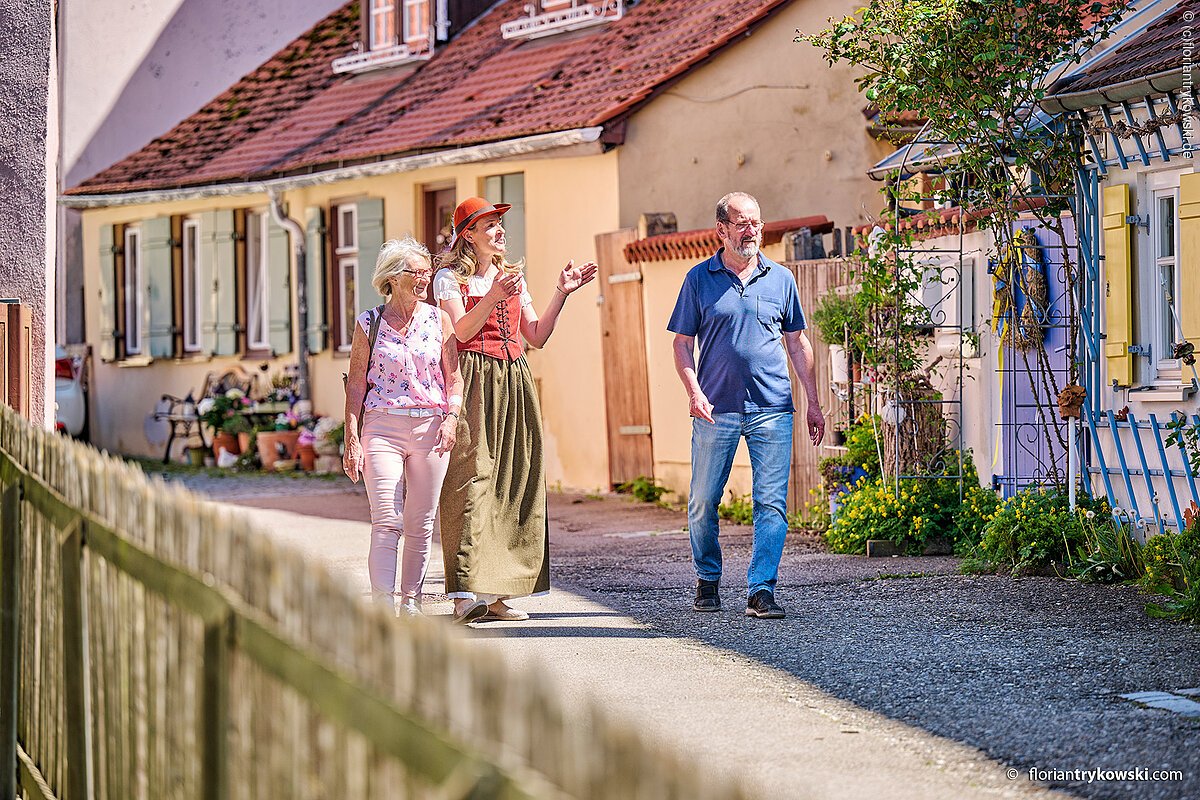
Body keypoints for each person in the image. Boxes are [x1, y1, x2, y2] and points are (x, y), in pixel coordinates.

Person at [433, 197, 597, 623]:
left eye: (500, 224)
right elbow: (462, 331)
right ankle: (464, 593)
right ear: (468, 235)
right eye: (490, 225)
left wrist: (562, 292)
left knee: (513, 479)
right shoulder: (449, 279)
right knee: (471, 480)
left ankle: (500, 592)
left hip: (515, 377)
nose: (500, 231)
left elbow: (537, 335)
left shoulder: (512, 278)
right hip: (472, 378)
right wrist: (491, 297)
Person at [667, 192, 825, 620]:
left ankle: (761, 589)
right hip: (714, 409)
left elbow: (797, 342)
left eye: (756, 222)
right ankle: (708, 577)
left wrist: (813, 401)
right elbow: (682, 345)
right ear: (721, 230)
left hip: (773, 407)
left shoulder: (781, 279)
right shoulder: (699, 279)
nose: (751, 230)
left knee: (771, 503)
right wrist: (693, 391)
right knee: (702, 501)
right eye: (741, 223)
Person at [343, 238, 463, 617]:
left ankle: (410, 604)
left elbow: (454, 377)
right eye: (418, 272)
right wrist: (351, 438)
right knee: (387, 519)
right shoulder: (369, 322)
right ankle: (382, 608)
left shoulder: (439, 318)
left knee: (421, 522)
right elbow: (357, 382)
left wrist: (452, 418)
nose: (426, 278)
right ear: (393, 278)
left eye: (428, 271)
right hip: (381, 426)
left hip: (431, 427)